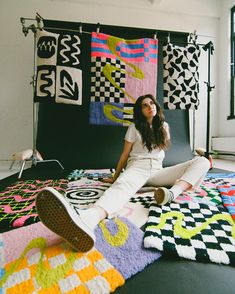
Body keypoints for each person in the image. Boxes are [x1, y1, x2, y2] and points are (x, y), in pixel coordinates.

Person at [36, 94, 210, 252]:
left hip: (158, 171)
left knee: (202, 161)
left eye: (152, 103)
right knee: (122, 186)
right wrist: (116, 175)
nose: (150, 106)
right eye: (145, 105)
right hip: (137, 168)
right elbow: (124, 154)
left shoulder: (164, 126)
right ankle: (89, 218)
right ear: (140, 111)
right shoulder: (134, 128)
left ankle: (172, 193)